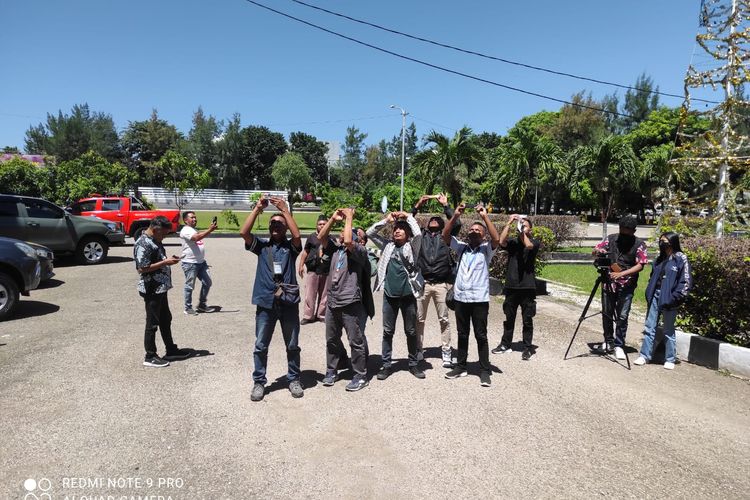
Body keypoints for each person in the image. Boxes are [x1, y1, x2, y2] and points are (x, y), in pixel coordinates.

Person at [240, 195, 304, 402]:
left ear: (285, 228)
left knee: (292, 345)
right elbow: (244, 232)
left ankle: (293, 378)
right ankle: (259, 382)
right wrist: (258, 208)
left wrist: (285, 210)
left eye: (279, 223)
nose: (275, 225)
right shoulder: (262, 247)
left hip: (288, 303)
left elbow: (297, 236)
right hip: (265, 302)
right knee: (260, 345)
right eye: (273, 223)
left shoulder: (290, 249)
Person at [442, 204, 501, 387]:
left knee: (481, 335)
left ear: (483, 235)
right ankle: (461, 367)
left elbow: (497, 239)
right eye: (472, 229)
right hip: (461, 299)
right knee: (462, 334)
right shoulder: (461, 248)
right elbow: (445, 236)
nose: (474, 231)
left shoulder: (486, 250)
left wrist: (484, 218)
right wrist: (455, 215)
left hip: (479, 301)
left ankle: (484, 370)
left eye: (478, 230)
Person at [317, 208, 374, 391]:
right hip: (333, 301)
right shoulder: (336, 250)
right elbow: (321, 238)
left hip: (350, 302)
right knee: (332, 339)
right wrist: (333, 219)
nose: (342, 233)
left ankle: (360, 375)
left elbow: (349, 240)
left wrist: (349, 217)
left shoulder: (360, 252)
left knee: (355, 341)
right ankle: (331, 370)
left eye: (346, 229)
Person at [367, 211, 425, 380]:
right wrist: (386, 220)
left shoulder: (412, 247)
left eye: (401, 229)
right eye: (395, 229)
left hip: (408, 296)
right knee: (387, 332)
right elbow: (370, 233)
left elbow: (419, 233)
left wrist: (407, 216)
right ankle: (386, 365)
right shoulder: (387, 246)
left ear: (407, 234)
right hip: (389, 296)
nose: (397, 231)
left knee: (411, 331)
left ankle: (413, 364)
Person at [134, 216, 192, 367]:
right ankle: (150, 356)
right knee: (152, 323)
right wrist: (165, 262)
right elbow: (142, 268)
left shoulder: (155, 240)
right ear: (155, 229)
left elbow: (156, 260)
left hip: (161, 287)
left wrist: (168, 259)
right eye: (163, 234)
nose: (164, 237)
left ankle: (171, 350)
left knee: (166, 319)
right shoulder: (143, 243)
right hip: (151, 288)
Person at [411, 193, 461, 368]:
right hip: (423, 283)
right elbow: (408, 221)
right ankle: (418, 350)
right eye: (430, 219)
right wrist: (418, 204)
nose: (433, 220)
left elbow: (457, 223)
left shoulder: (445, 237)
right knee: (418, 319)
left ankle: (446, 351)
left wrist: (446, 206)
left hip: (441, 284)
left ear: (440, 225)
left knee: (444, 319)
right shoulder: (421, 236)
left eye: (436, 219)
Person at [591, 215, 648, 360]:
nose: (624, 235)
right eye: (623, 231)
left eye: (628, 233)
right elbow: (595, 250)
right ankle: (608, 341)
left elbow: (640, 265)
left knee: (622, 316)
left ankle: (619, 345)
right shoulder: (611, 239)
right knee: (607, 313)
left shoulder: (639, 244)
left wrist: (622, 274)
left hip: (627, 285)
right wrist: (598, 252)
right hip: (608, 282)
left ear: (634, 231)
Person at [634, 232, 692, 370]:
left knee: (668, 330)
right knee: (649, 327)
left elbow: (685, 282)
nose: (662, 243)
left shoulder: (680, 258)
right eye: (661, 241)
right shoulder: (659, 259)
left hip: (669, 298)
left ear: (673, 242)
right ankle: (644, 355)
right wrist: (649, 292)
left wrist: (674, 297)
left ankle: (670, 358)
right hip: (655, 295)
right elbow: (652, 277)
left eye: (665, 241)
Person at [492, 214, 540, 360]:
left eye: (525, 225)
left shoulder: (534, 241)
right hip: (512, 286)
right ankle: (505, 344)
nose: (522, 227)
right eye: (521, 225)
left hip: (527, 287)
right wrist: (510, 222)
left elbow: (529, 246)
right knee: (509, 318)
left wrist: (522, 233)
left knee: (527, 319)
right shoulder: (512, 243)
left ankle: (527, 347)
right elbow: (501, 241)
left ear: (530, 229)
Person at [179, 211, 218, 315]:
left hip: (201, 263)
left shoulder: (193, 230)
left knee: (207, 282)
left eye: (195, 217)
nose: (195, 219)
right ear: (185, 220)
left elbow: (198, 235)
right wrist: (210, 230)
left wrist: (210, 229)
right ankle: (187, 308)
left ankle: (201, 305)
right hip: (190, 263)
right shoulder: (185, 230)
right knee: (189, 286)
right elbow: (196, 238)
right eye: (192, 217)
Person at [298, 214, 334, 324]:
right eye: (320, 224)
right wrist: (301, 264)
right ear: (316, 225)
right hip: (313, 269)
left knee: (324, 295)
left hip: (326, 270)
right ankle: (308, 316)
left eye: (324, 224)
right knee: (310, 294)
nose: (322, 226)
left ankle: (321, 315)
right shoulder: (311, 237)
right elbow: (305, 251)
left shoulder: (331, 238)